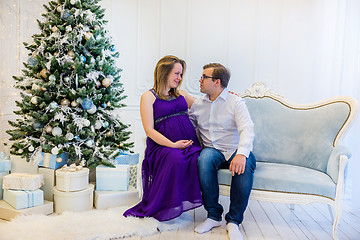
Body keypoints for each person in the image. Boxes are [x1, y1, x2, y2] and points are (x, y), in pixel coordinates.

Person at [123, 55, 203, 221]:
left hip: (188, 144)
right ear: (164, 73)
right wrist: (173, 145)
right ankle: (164, 204)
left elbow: (204, 107)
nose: (179, 78)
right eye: (176, 74)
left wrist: (223, 97)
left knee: (199, 159)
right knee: (175, 159)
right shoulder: (149, 97)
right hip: (163, 146)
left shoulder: (181, 94)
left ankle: (184, 201)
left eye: (181, 74)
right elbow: (149, 130)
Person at [189, 63, 256, 240]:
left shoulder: (235, 102)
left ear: (217, 81)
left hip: (235, 150)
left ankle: (234, 221)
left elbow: (247, 129)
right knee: (204, 159)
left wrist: (241, 154)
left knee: (245, 164)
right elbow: (189, 126)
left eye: (204, 77)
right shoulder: (198, 104)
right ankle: (213, 216)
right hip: (213, 151)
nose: (200, 80)